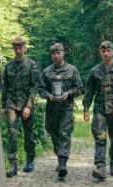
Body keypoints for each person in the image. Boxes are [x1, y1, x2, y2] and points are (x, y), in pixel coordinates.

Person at [82, 41, 113, 180]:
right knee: (100, 138)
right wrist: (86, 109)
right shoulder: (94, 71)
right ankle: (100, 168)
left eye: (108, 50)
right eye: (103, 51)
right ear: (100, 52)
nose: (106, 53)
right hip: (100, 110)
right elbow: (89, 91)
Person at [39, 43, 83, 178]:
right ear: (51, 55)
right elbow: (40, 89)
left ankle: (63, 164)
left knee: (64, 133)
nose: (56, 55)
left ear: (63, 53)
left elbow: (80, 88)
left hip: (66, 108)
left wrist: (69, 93)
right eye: (54, 53)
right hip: (52, 109)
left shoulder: (72, 70)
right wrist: (47, 95)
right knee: (54, 134)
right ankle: (60, 158)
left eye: (58, 53)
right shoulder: (47, 72)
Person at [1, 37, 40, 177]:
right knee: (12, 133)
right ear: (13, 49)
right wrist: (3, 106)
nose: (18, 50)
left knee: (28, 133)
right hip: (11, 103)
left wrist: (28, 106)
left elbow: (35, 87)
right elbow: (5, 86)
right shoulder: (8, 66)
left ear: (24, 48)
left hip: (26, 103)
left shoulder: (31, 65)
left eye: (20, 47)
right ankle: (13, 164)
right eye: (16, 48)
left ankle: (30, 160)